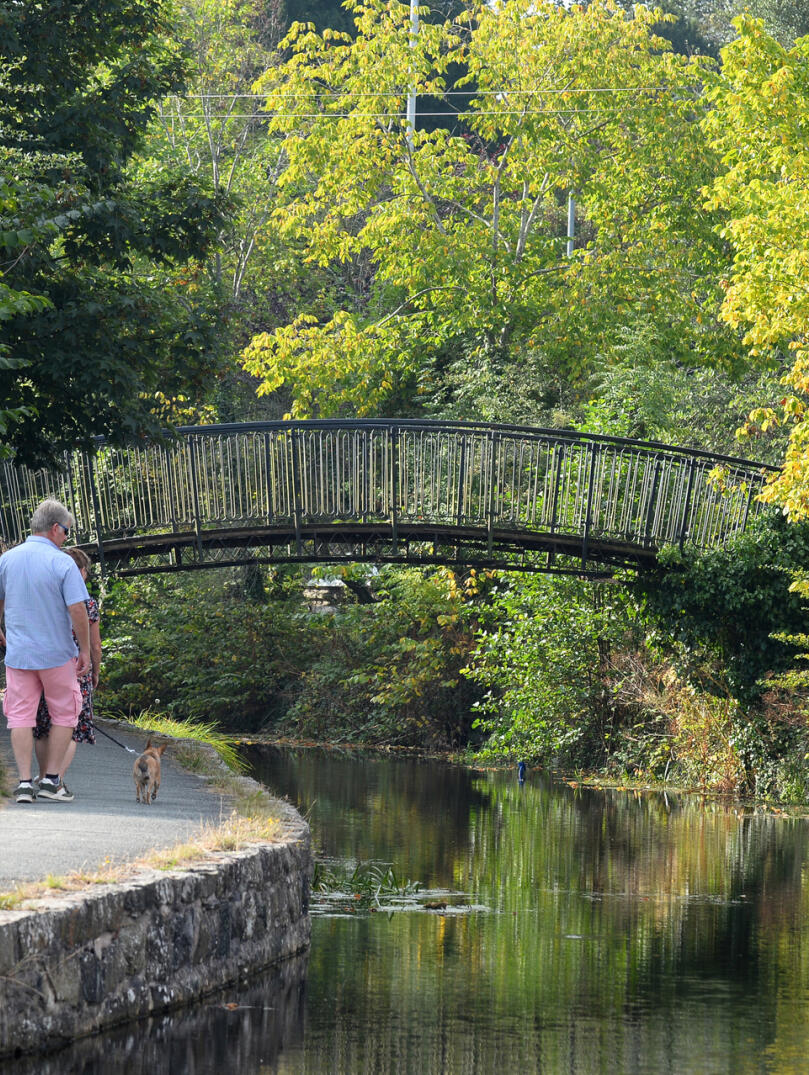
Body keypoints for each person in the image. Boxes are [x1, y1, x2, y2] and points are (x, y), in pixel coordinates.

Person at [0, 498, 90, 804]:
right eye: (66, 531)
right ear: (55, 528)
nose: (67, 537)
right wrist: (86, 652)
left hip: (19, 655)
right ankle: (52, 780)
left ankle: (25, 783)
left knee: (20, 717)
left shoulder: (7, 560)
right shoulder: (62, 562)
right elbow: (78, 610)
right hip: (56, 654)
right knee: (66, 712)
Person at [33, 546, 102, 795]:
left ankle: (41, 778)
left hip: (43, 665)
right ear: (81, 572)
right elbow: (94, 644)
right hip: (76, 669)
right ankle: (55, 781)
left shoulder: (45, 599)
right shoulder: (87, 603)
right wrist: (95, 669)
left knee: (42, 726)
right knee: (71, 728)